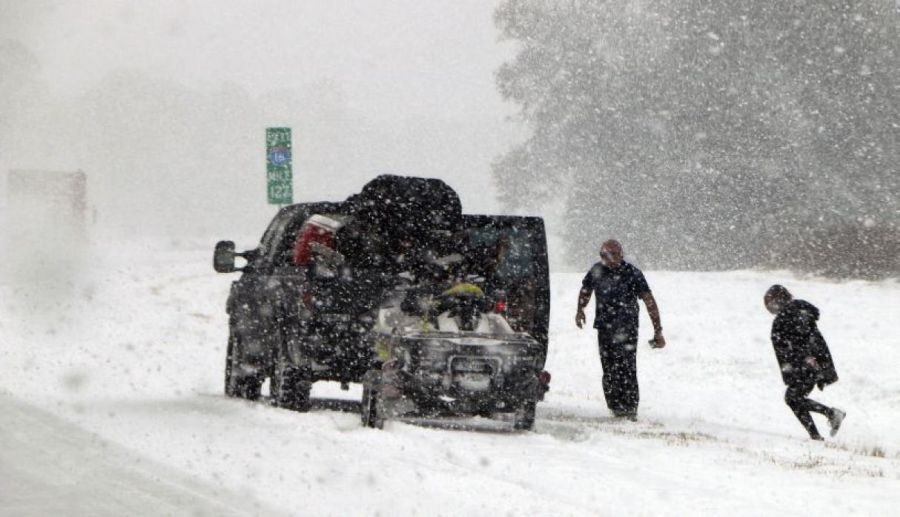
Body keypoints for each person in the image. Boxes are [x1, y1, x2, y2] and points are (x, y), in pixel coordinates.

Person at [575, 240, 665, 420]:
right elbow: (586, 290)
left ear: (621, 255)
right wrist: (580, 310)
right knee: (609, 369)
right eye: (605, 256)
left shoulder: (632, 273)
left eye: (614, 255)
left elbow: (649, 301)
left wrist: (658, 330)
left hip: (628, 329)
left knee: (627, 368)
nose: (609, 259)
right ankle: (615, 406)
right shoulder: (597, 270)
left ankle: (630, 408)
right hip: (605, 328)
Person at [764, 285, 845, 441]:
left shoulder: (788, 315)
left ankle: (831, 415)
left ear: (778, 299)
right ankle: (816, 435)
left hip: (805, 365)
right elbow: (808, 339)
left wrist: (807, 359)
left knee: (792, 398)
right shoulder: (798, 312)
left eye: (769, 302)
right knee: (794, 398)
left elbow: (801, 340)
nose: (768, 307)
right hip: (807, 363)